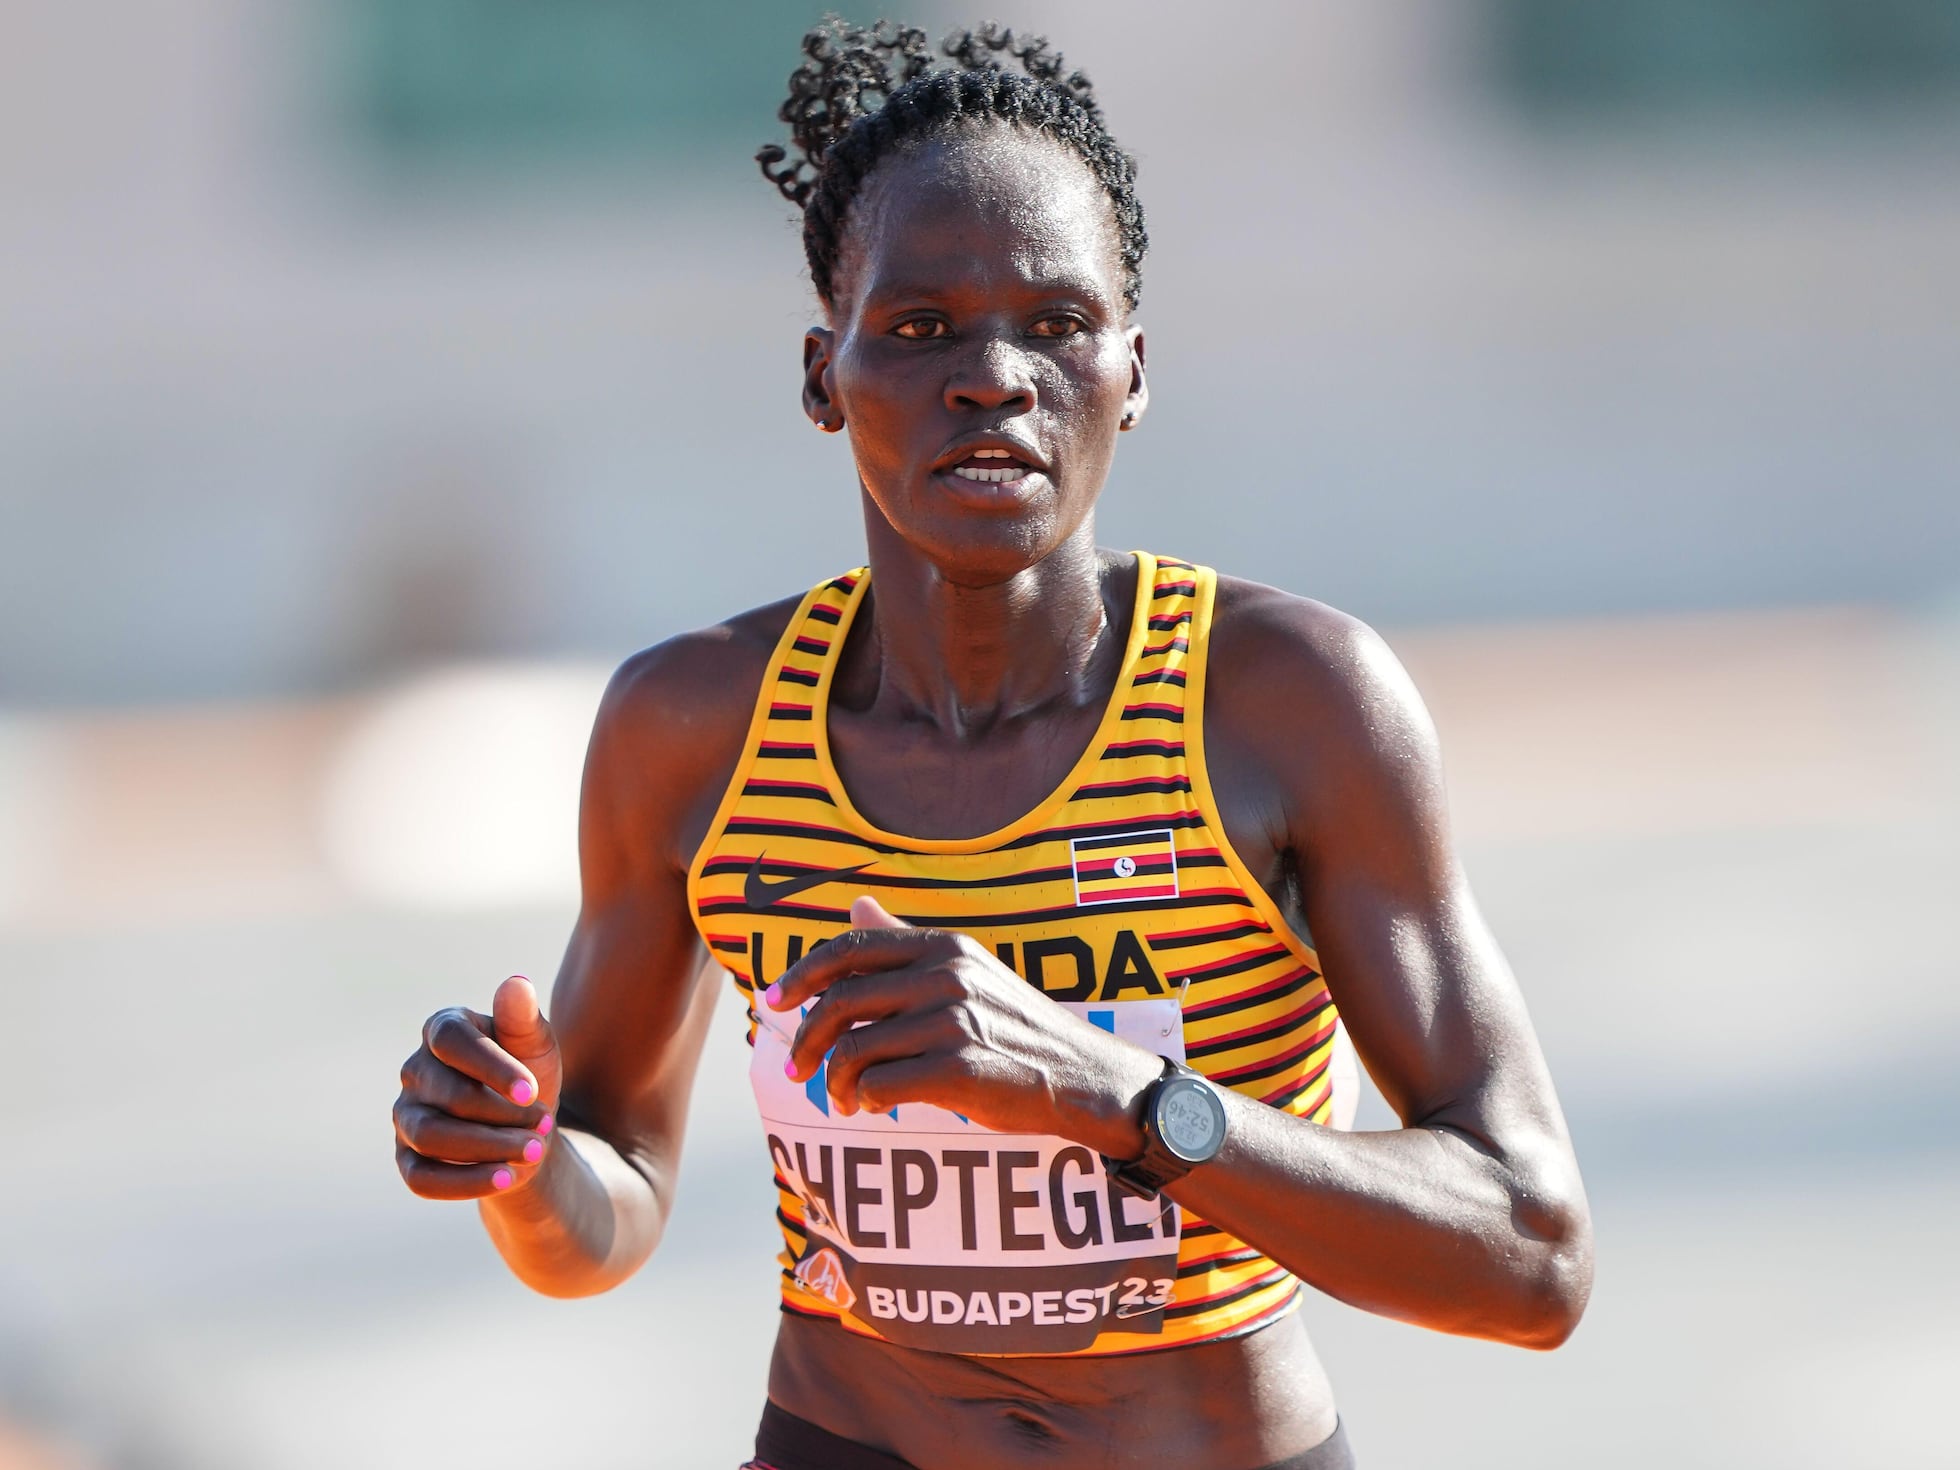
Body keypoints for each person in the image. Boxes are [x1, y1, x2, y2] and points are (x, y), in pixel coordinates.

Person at [391, 21, 1593, 1470]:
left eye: (1057, 322)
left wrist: (1108, 1095)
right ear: (825, 374)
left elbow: (1532, 1252)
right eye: (918, 327)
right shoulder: (696, 730)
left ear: (1133, 372)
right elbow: (609, 1199)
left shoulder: (1281, 703)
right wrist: (515, 1164)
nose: (994, 377)